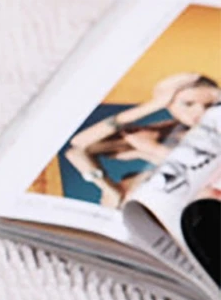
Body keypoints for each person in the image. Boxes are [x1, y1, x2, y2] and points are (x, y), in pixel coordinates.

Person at [65, 73, 220, 208]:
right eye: (188, 104)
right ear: (168, 105)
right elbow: (78, 147)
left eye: (209, 105)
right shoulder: (159, 133)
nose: (200, 111)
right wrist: (108, 189)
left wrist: (153, 149)